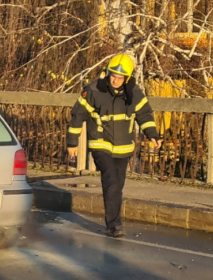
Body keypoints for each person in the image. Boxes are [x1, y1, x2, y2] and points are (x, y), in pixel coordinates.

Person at [67, 53, 162, 238]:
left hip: (123, 148)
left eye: (119, 77)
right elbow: (78, 116)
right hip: (100, 144)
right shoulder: (93, 90)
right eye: (113, 76)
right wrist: (72, 142)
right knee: (110, 180)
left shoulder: (134, 93)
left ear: (127, 78)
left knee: (117, 185)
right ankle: (114, 225)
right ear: (107, 73)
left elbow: (144, 115)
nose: (115, 80)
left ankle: (113, 221)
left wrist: (152, 135)